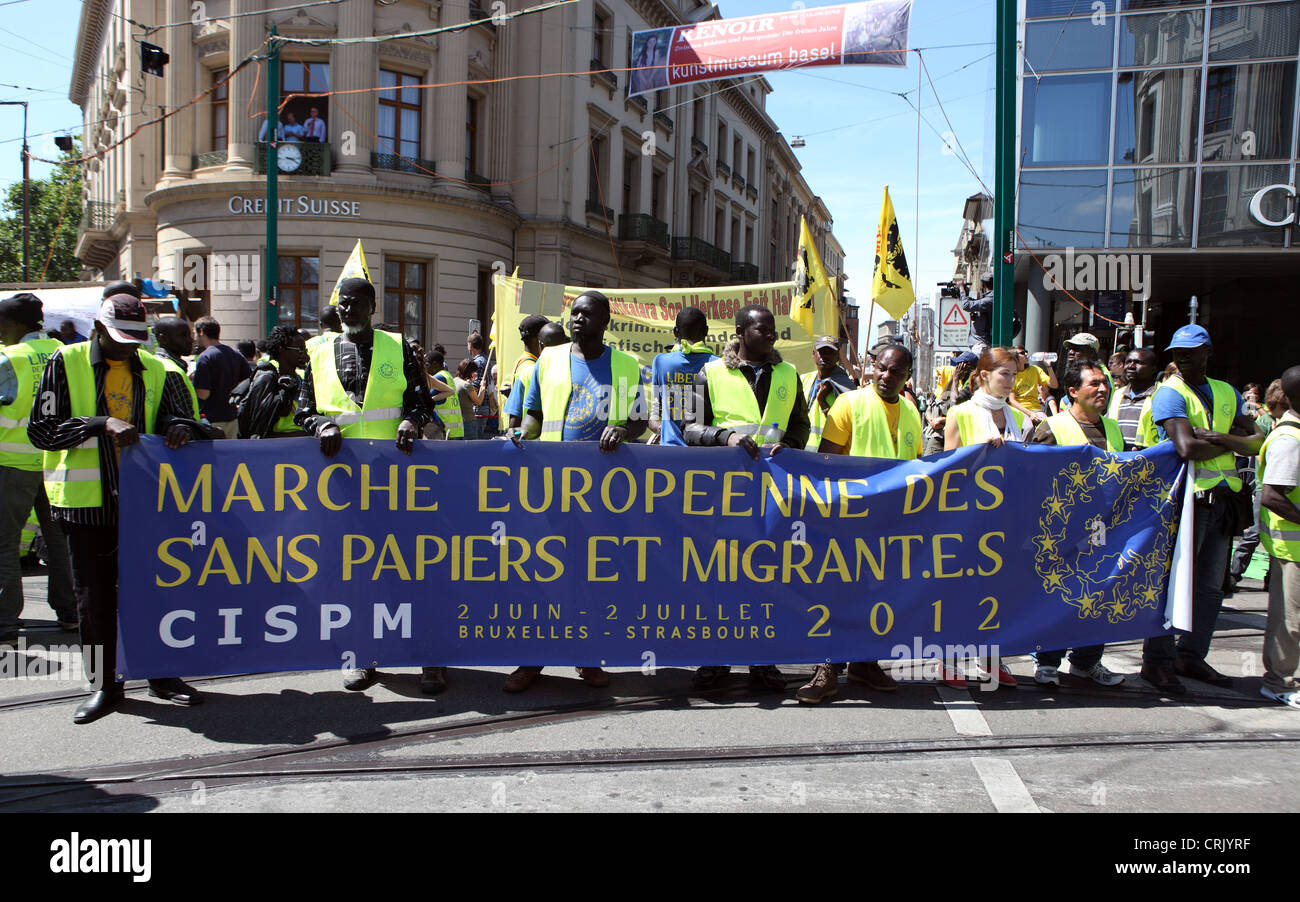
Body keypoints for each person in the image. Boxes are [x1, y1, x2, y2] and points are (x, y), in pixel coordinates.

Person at [27, 293, 208, 723]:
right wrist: (99, 423)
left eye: (135, 340)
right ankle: (104, 684)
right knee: (94, 600)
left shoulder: (159, 369)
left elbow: (185, 421)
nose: (129, 347)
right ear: (98, 330)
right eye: (120, 339)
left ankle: (162, 675)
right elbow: (42, 431)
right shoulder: (64, 363)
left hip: (147, 505)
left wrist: (180, 429)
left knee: (154, 594)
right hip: (86, 508)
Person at [293, 277, 444, 694]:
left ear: (373, 306)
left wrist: (413, 420)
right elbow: (302, 410)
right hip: (341, 484)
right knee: (355, 573)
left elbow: (421, 402)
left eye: (357, 302)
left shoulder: (399, 347)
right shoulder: (318, 351)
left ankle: (428, 655)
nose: (348, 309)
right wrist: (320, 423)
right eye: (343, 303)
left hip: (396, 481)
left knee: (411, 569)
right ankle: (361, 654)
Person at [506, 290, 648, 693]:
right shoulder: (549, 358)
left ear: (605, 321)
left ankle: (589, 658)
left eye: (587, 314)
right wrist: (521, 433)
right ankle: (532, 659)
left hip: (601, 492)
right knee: (542, 574)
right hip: (550, 487)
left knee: (590, 577)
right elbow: (534, 415)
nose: (577, 319)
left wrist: (623, 429)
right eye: (574, 313)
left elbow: (638, 423)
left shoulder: (623, 365)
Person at [681, 304, 807, 692]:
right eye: (763, 329)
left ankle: (762, 659)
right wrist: (727, 437)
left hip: (772, 493)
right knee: (719, 576)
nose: (772, 335)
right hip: (722, 492)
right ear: (740, 331)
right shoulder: (709, 372)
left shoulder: (789, 374)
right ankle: (715, 658)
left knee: (765, 575)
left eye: (773, 330)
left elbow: (800, 425)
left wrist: (789, 445)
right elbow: (687, 427)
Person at [1139, 324, 1263, 695]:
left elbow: (1257, 442)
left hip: (1222, 499)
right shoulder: (1169, 393)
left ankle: (1190, 655)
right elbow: (1187, 448)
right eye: (1178, 351)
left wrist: (1221, 439)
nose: (1183, 356)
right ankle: (1157, 661)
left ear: (1208, 351)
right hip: (1185, 499)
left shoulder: (1226, 392)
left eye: (1191, 350)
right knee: (1174, 583)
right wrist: (1234, 443)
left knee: (1210, 588)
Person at [796, 345, 923, 703]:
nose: (886, 377)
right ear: (872, 368)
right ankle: (826, 669)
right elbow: (826, 464)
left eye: (896, 372)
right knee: (836, 594)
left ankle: (864, 662)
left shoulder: (912, 412)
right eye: (881, 369)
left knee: (877, 594)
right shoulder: (848, 404)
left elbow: (914, 468)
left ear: (907, 375)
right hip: (848, 522)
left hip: (889, 524)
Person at [1026, 361, 1127, 688]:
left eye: (1104, 383)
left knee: (1098, 596)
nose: (1102, 389)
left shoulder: (1112, 428)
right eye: (1094, 384)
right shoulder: (1051, 428)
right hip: (1061, 530)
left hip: (1102, 530)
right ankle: (1048, 662)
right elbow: (1030, 475)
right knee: (1058, 595)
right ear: (1072, 392)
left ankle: (1086, 661)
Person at [941, 347, 1027, 688]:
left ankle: (991, 658)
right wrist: (979, 456)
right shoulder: (960, 413)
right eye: (1004, 374)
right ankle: (947, 659)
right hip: (968, 518)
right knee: (961, 588)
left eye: (1014, 375)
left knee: (999, 590)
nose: (1010, 382)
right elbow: (946, 473)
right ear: (983, 376)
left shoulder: (1017, 418)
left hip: (1005, 518)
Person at [0, 294, 78, 645]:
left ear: (16, 324)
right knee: (61, 543)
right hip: (59, 465)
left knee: (4, 544)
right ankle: (72, 612)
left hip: (14, 467)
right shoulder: (66, 353)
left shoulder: (9, 358)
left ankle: (4, 623)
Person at [1257, 365, 1300, 708]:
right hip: (1290, 547)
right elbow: (1272, 495)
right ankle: (1278, 682)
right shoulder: (1289, 439)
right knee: (1289, 622)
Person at [1228, 379, 1288, 591]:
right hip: (1266, 485)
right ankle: (1233, 574)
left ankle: (1272, 578)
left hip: (1282, 486)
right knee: (1254, 532)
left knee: (1278, 536)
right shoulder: (1266, 422)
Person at [649, 307, 717, 446]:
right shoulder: (717, 364)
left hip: (670, 449)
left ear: (675, 332)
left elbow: (655, 411)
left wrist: (661, 429)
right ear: (706, 332)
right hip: (706, 450)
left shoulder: (661, 361)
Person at [232, 325, 309, 438]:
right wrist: (300, 435)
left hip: (302, 446)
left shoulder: (302, 377)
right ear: (281, 349)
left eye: (305, 350)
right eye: (300, 350)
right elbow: (260, 430)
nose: (305, 356)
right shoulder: (266, 377)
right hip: (276, 450)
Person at [191, 316, 252, 438]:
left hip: (212, 421)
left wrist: (190, 383)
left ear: (201, 332)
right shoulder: (235, 353)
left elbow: (203, 393)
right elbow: (248, 380)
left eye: (194, 333)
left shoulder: (205, 357)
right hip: (232, 417)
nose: (194, 338)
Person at [504, 321, 567, 430]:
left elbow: (513, 425)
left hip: (531, 442)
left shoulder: (526, 372)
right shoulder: (572, 370)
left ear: (541, 345)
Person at [800, 335, 856, 451]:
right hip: (801, 452)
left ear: (837, 357)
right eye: (821, 351)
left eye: (830, 352)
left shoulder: (845, 387)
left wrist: (822, 402)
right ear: (813, 354)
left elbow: (845, 424)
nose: (825, 356)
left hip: (827, 454)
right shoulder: (804, 379)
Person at [924, 350, 976, 455]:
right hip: (942, 432)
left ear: (967, 366)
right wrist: (953, 378)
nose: (956, 368)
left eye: (959, 364)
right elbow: (944, 397)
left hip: (957, 432)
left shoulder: (973, 382)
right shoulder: (959, 381)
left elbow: (955, 402)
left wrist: (956, 380)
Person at [1107, 347, 1160, 451]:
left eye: (1138, 362)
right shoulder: (1118, 394)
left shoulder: (1160, 393)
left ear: (1153, 369)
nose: (1131, 366)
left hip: (1148, 461)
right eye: (1128, 362)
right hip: (1118, 460)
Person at [1013, 345, 1058, 418]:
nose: (1026, 354)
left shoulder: (1034, 370)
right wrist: (1030, 413)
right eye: (1022, 353)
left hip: (1036, 409)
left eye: (1026, 352)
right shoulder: (1012, 374)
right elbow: (1012, 401)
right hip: (1018, 410)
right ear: (1014, 357)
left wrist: (1048, 366)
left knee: (1047, 426)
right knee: (1028, 428)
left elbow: (1054, 385)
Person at [961, 272, 993, 351]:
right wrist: (976, 318)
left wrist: (962, 290)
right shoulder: (988, 298)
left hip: (981, 345)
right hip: (979, 344)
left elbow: (966, 306)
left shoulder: (990, 299)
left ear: (983, 284)